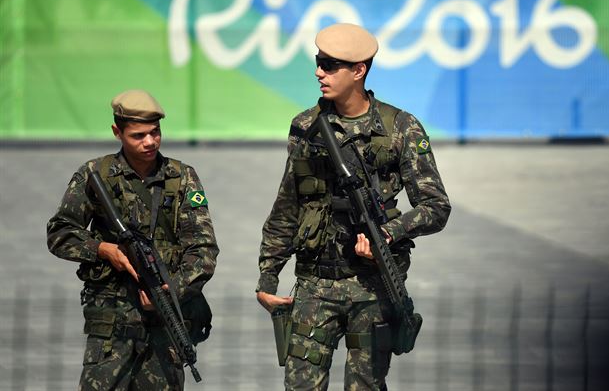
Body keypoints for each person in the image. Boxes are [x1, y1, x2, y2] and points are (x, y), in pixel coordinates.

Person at [256, 23, 451, 390]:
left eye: (329, 65)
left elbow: (436, 206)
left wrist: (387, 233)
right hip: (314, 284)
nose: (318, 72)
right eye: (318, 62)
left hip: (372, 287)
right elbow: (287, 205)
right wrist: (268, 274)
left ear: (358, 70)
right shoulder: (305, 126)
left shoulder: (401, 128)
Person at [47, 90, 219, 390]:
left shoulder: (182, 177)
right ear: (117, 132)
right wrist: (102, 249)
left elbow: (203, 250)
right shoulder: (95, 174)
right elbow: (59, 233)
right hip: (111, 330)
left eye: (155, 132)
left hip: (165, 328)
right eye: (139, 135)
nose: (150, 142)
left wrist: (169, 291)